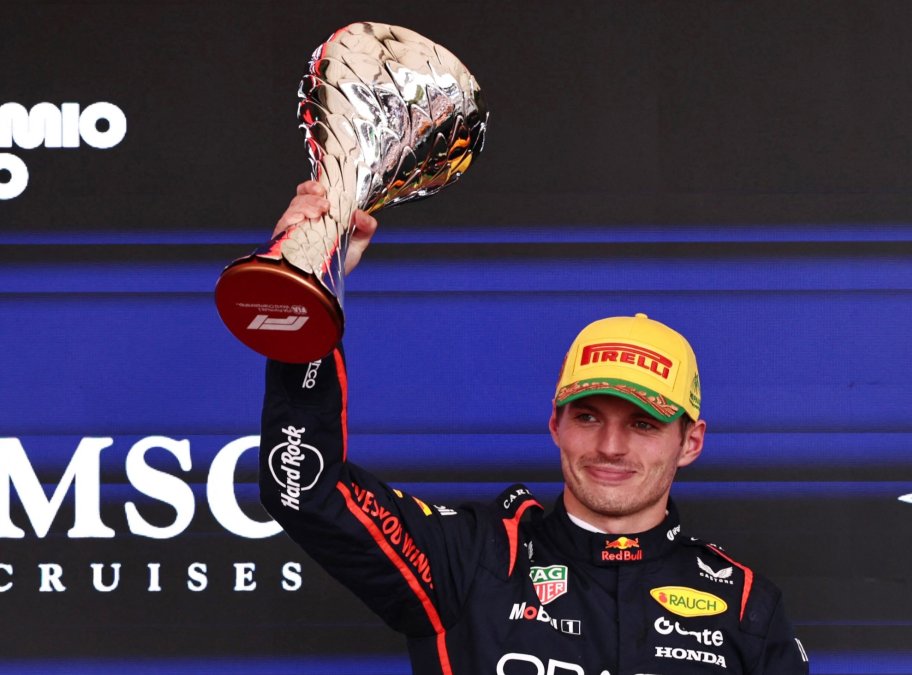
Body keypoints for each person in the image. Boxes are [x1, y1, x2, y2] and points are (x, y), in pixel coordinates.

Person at [259, 181, 810, 674]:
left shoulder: (745, 605)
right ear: (555, 424)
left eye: (643, 424)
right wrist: (308, 291)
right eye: (589, 416)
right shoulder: (472, 560)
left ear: (690, 442)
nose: (610, 447)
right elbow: (307, 490)